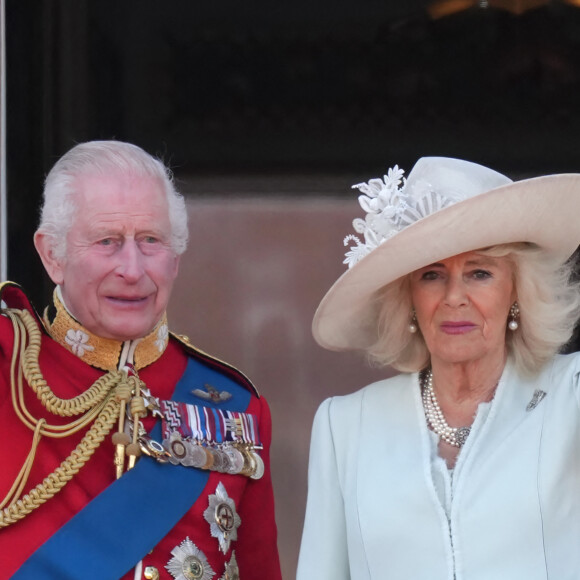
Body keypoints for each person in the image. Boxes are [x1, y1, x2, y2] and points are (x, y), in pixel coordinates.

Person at [0, 140, 282, 580]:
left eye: (150, 240)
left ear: (175, 258)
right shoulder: (8, 374)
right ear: (52, 255)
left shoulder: (235, 409)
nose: (132, 269)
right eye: (107, 241)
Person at [297, 156, 580, 579]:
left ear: (518, 291)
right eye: (432, 275)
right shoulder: (345, 427)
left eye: (479, 273)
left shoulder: (570, 399)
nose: (453, 297)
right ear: (407, 298)